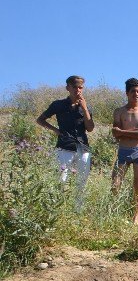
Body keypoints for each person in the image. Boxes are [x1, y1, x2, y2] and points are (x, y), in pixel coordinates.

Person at [36, 75, 95, 209]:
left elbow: (90, 128)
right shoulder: (58, 105)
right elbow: (40, 120)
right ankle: (59, 209)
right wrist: (56, 130)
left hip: (83, 148)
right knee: (61, 180)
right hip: (65, 147)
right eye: (75, 87)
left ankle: (78, 210)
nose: (78, 90)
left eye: (81, 87)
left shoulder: (85, 107)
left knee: (81, 182)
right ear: (68, 88)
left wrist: (85, 108)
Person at [111, 78, 138, 224]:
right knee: (116, 183)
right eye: (133, 91)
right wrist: (127, 131)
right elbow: (115, 133)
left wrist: (122, 131)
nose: (137, 94)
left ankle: (136, 217)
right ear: (127, 93)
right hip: (123, 150)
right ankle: (114, 213)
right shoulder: (119, 111)